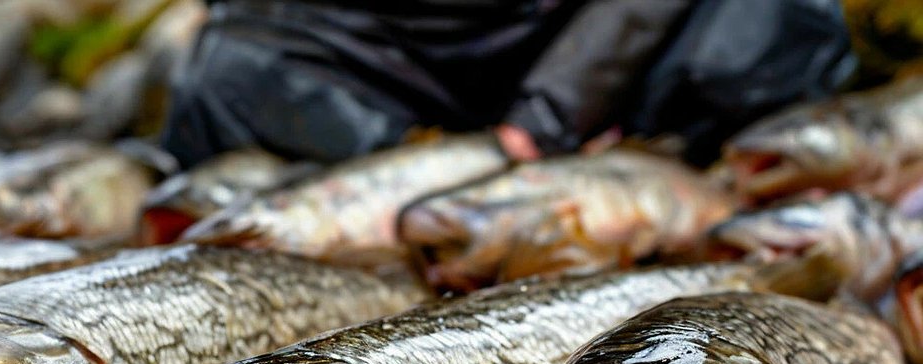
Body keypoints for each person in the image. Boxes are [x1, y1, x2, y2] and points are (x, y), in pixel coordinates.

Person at [160, 0, 855, 168]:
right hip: (400, 68)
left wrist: (545, 119)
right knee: (221, 70)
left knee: (766, 21)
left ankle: (737, 172)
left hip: (591, 58)